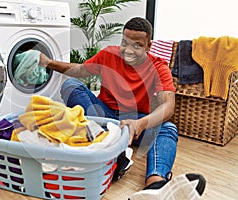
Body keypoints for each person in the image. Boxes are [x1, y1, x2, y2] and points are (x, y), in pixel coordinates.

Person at [38, 17, 206, 199]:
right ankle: (112, 146)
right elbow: (79, 70)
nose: (128, 50)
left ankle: (156, 186)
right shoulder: (109, 55)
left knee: (168, 128)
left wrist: (140, 124)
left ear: (149, 46)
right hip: (105, 117)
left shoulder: (158, 66)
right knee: (71, 84)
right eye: (124, 43)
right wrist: (48, 62)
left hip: (137, 121)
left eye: (137, 45)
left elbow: (168, 104)